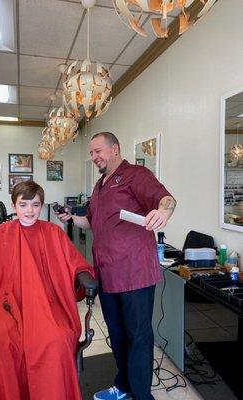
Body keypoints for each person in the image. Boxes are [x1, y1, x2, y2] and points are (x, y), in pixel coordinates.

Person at [58, 132, 176, 400]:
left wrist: (162, 213)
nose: (94, 157)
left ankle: (142, 395)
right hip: (107, 273)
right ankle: (123, 385)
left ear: (115, 149)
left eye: (98, 151)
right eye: (91, 153)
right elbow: (91, 222)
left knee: (139, 337)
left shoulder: (136, 174)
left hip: (135, 273)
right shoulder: (100, 185)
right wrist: (71, 218)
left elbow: (167, 199)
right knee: (118, 335)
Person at [0, 181, 94, 400]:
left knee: (56, 340)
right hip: (6, 306)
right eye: (23, 205)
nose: (30, 210)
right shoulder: (1, 233)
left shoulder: (53, 232)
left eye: (35, 204)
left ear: (41, 206)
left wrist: (85, 278)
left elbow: (75, 263)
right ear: (14, 206)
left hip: (46, 304)